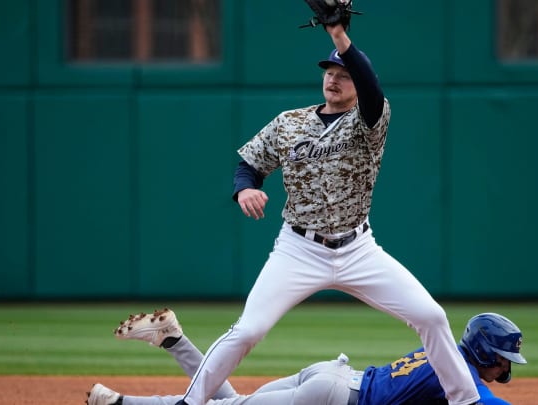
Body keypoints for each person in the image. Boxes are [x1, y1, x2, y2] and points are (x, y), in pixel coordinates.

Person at [171, 17, 478, 405]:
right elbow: (248, 166)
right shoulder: (289, 123)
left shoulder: (369, 121)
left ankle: (466, 401)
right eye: (329, 72)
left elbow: (373, 89)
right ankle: (190, 402)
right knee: (248, 330)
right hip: (298, 249)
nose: (333, 80)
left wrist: (339, 36)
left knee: (431, 316)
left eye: (343, 75)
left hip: (357, 250)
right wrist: (245, 189)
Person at [87, 309, 526, 405]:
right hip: (330, 398)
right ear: (489, 352)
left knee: (228, 403)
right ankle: (117, 404)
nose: (506, 369)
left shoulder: (446, 355)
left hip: (330, 377)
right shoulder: (462, 379)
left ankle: (174, 340)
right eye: (505, 359)